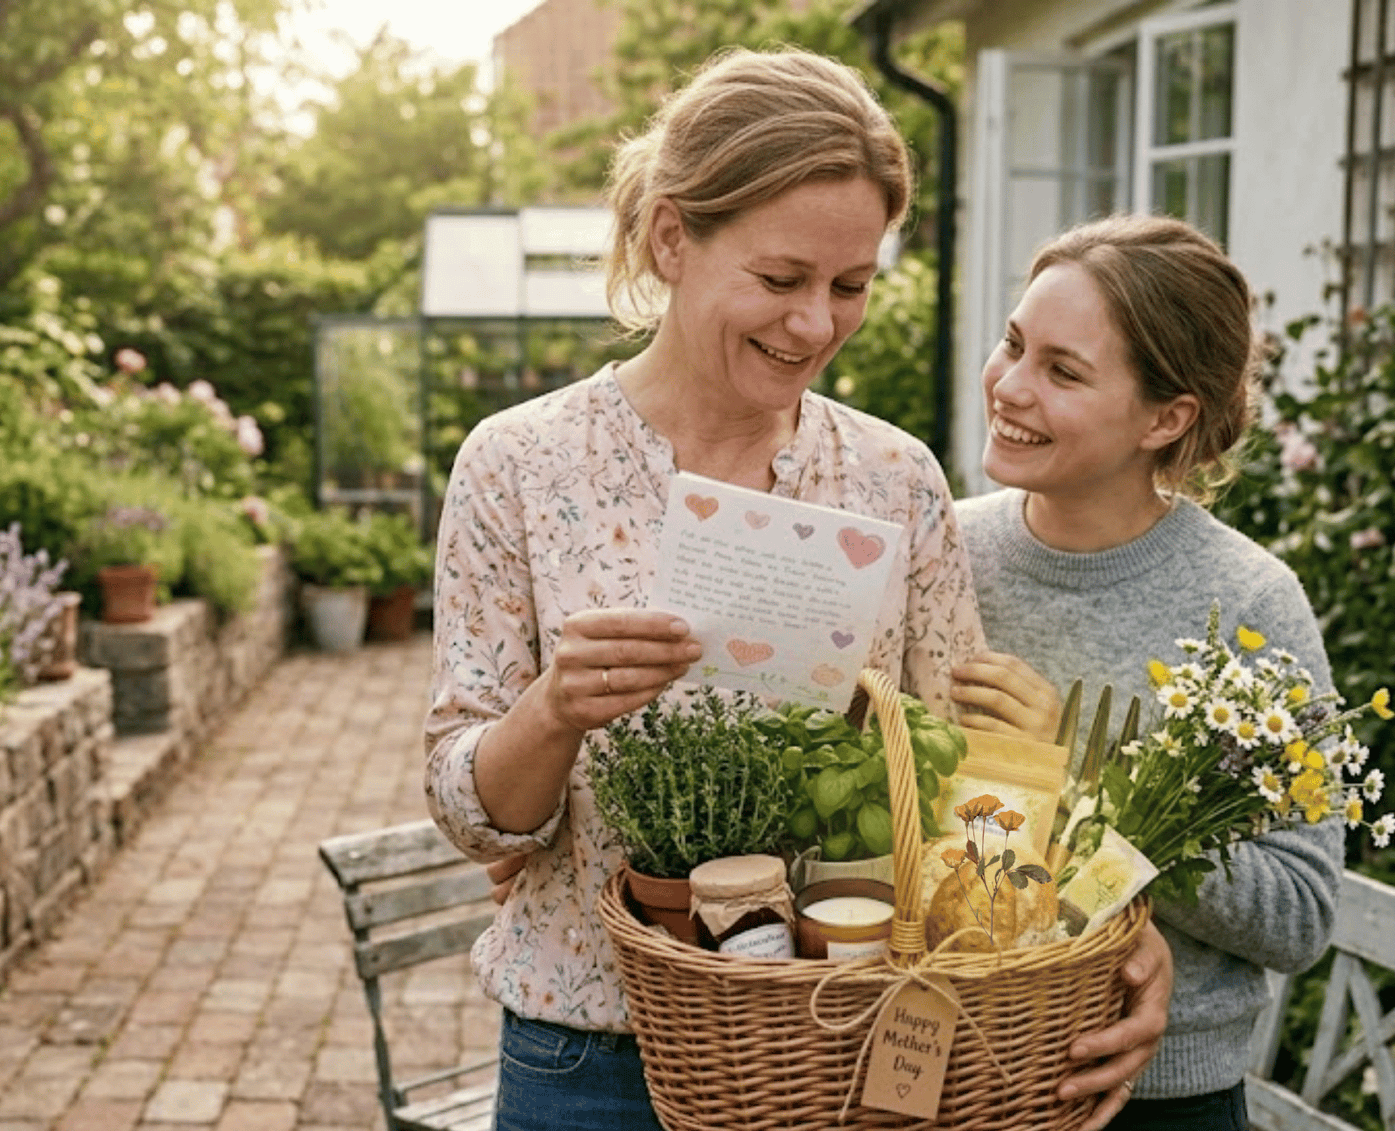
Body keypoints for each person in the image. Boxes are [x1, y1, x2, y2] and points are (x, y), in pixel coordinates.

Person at [425, 46, 1167, 1131]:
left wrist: (1115, 921)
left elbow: (961, 783)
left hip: (837, 1048)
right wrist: (553, 711)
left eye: (850, 285)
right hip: (592, 1057)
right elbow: (476, 821)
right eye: (780, 281)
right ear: (671, 238)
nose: (816, 324)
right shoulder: (520, 464)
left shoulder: (892, 477)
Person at [951, 214, 1343, 1131]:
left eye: (1063, 371)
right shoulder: (946, 551)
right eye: (1014, 343)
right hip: (953, 1077)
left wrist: (1082, 788)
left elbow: (1298, 912)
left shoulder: (1249, 604)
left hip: (1160, 1101)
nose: (1009, 385)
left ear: (1166, 418)